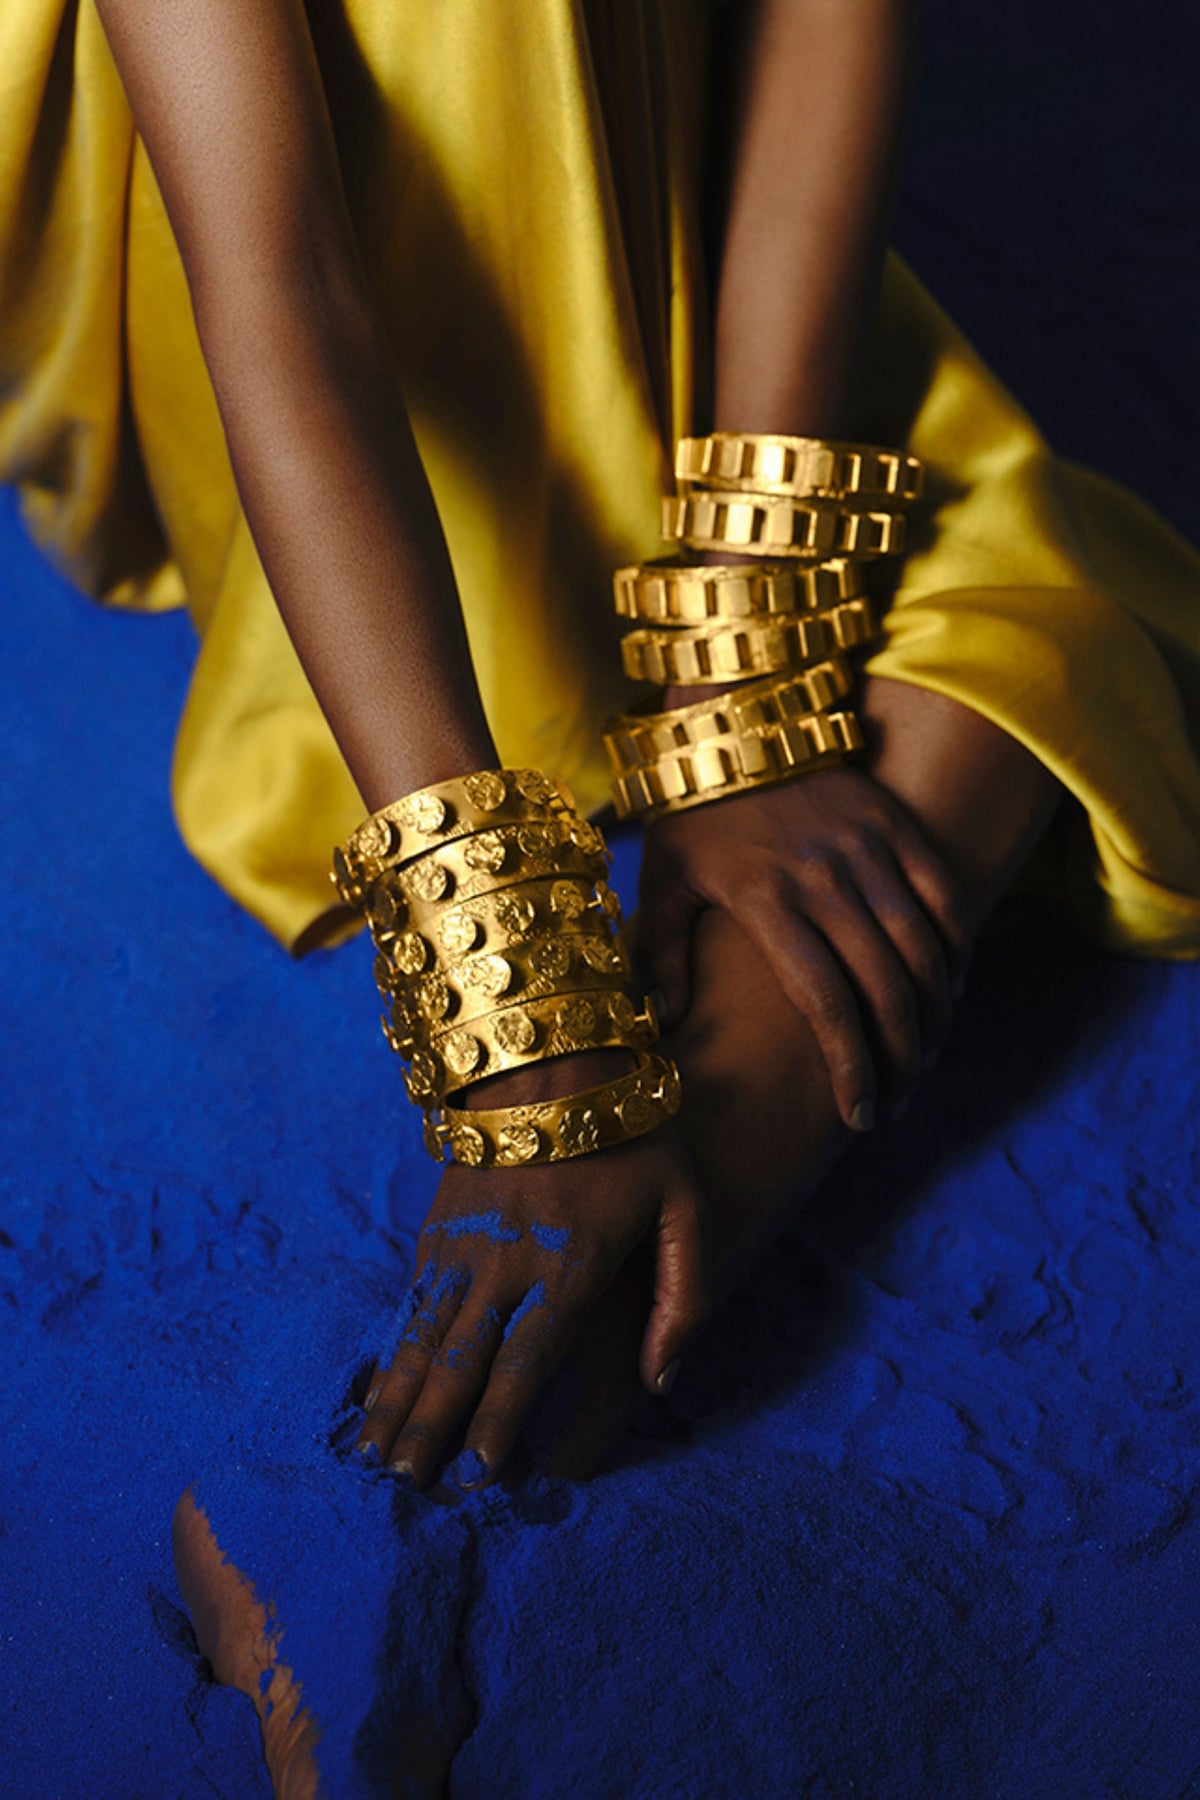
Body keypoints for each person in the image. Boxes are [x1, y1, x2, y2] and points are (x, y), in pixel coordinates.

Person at [4, 0, 1199, 1791]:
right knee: (783, 865)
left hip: (682, 245)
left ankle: (350, 1499)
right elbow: (278, 278)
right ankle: (410, 1481)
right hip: (359, 357)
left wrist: (746, 682)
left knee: (1021, 674)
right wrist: (523, 1039)